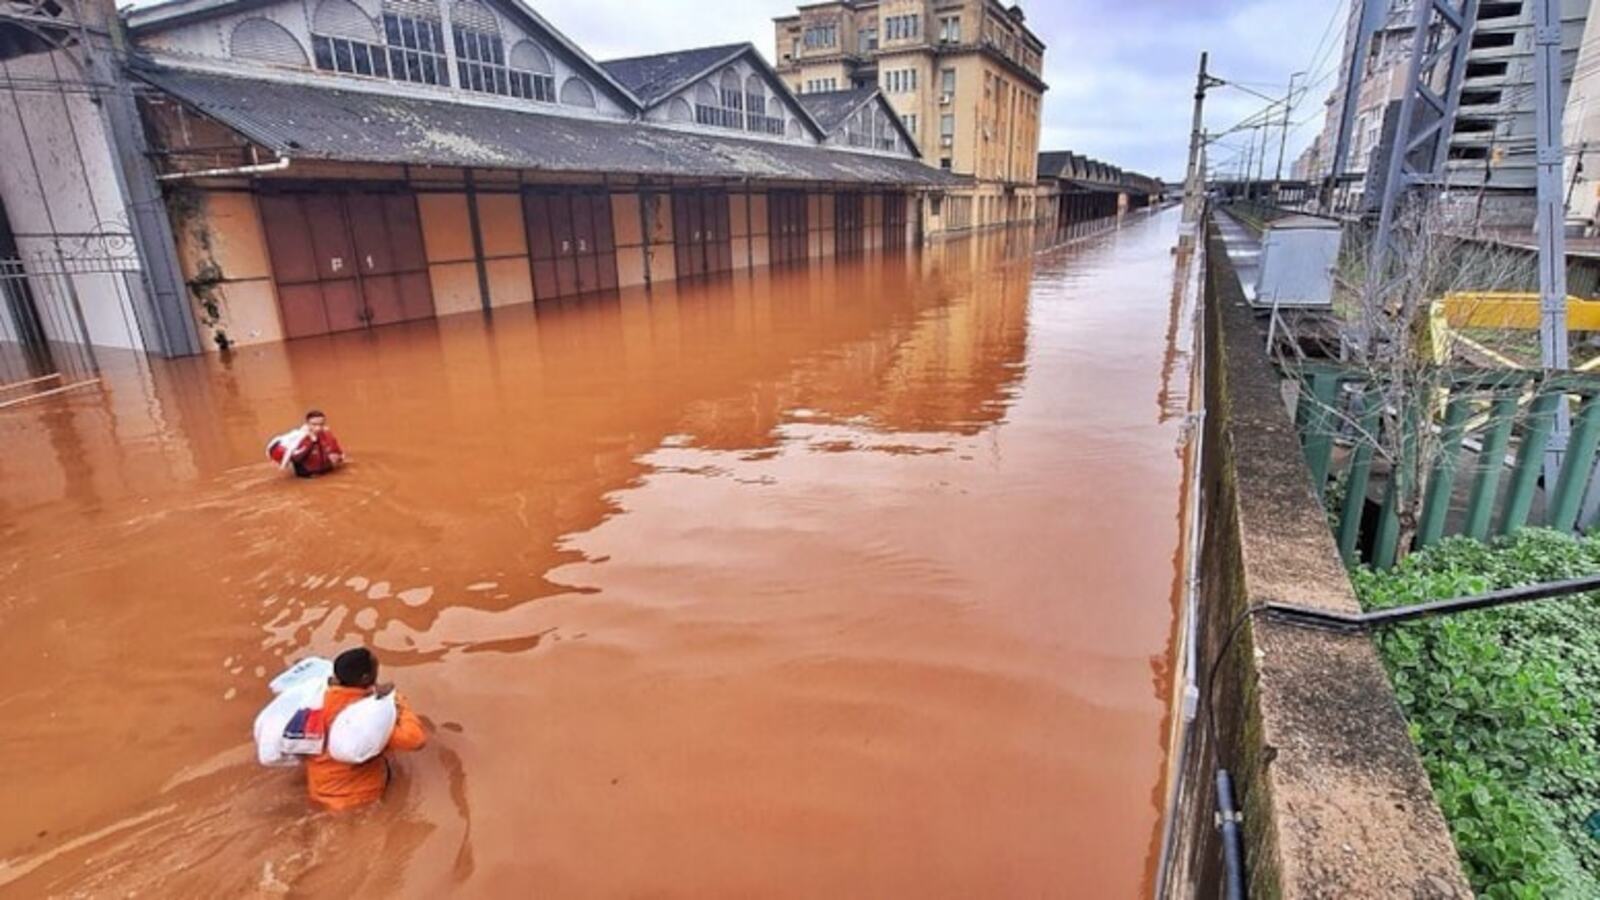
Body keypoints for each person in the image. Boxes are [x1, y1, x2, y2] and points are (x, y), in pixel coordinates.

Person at [305, 647, 427, 811]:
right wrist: (397, 702)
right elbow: (415, 740)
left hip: (317, 789)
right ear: (366, 678)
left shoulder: (316, 701)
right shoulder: (370, 717)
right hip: (357, 800)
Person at [267, 409, 345, 478]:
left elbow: (338, 451)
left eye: (321, 424)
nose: (318, 428)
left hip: (328, 472)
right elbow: (294, 459)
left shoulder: (327, 434)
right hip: (308, 476)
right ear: (307, 424)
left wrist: (338, 457)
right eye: (314, 424)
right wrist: (311, 443)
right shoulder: (298, 438)